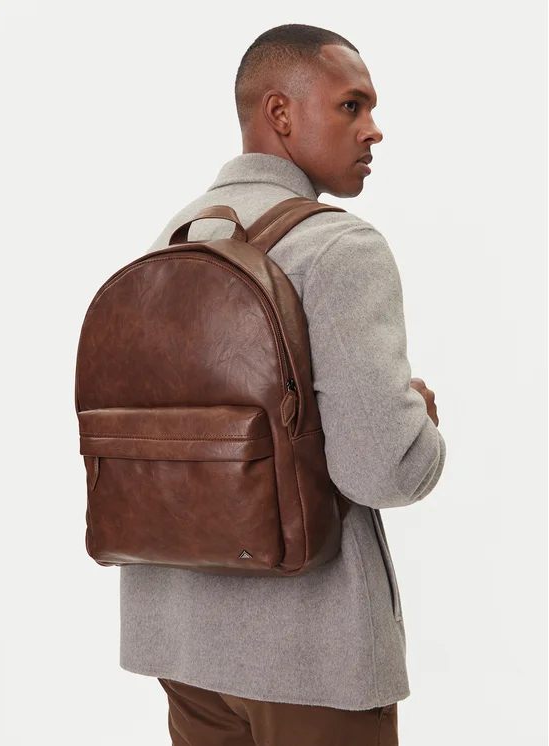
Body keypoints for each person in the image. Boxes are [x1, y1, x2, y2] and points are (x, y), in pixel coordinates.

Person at [119, 23, 446, 746]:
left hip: (182, 644)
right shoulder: (340, 248)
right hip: (310, 656)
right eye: (352, 105)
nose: (374, 130)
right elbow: (382, 469)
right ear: (280, 112)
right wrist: (419, 423)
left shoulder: (173, 238)